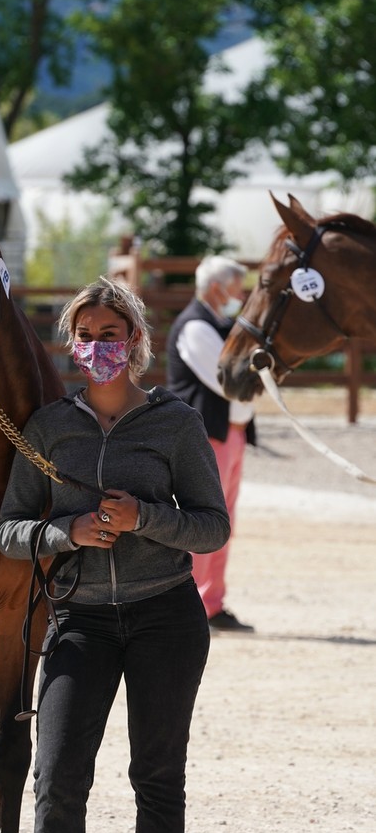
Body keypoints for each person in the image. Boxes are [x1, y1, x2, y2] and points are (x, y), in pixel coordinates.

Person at [0, 277, 230, 833]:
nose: (100, 346)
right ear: (72, 344)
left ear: (136, 342)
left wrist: (145, 518)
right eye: (88, 334)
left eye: (112, 333)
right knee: (58, 775)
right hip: (79, 620)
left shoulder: (176, 425)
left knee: (157, 778)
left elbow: (212, 525)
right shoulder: (47, 428)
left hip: (167, 616)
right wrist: (66, 531)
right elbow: (8, 531)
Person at [166, 255, 256, 633]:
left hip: (229, 435)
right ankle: (191, 603)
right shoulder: (195, 327)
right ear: (218, 287)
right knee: (205, 520)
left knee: (224, 522)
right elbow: (230, 382)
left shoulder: (219, 324)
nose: (241, 294)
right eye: (236, 286)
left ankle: (211, 602)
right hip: (207, 438)